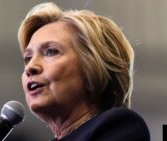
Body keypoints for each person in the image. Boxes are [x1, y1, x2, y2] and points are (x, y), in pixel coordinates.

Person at [17, 2, 150, 141]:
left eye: (51, 51)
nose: (30, 67)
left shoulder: (120, 128)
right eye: (27, 58)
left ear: (91, 68)